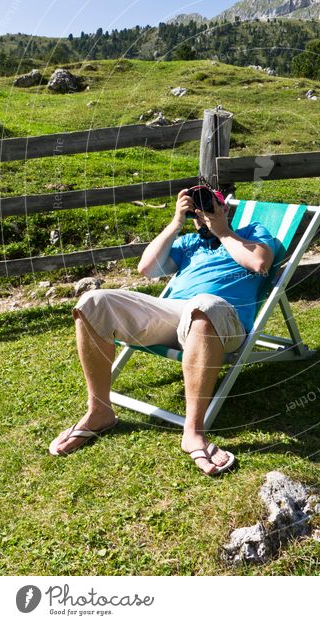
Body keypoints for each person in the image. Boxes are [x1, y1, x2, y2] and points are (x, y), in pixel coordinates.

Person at [48, 187, 275, 475]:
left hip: (221, 320)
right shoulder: (189, 242)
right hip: (174, 315)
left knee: (204, 305)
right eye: (195, 209)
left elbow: (260, 263)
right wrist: (176, 223)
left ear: (225, 208)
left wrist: (222, 231)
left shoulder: (253, 232)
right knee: (93, 302)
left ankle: (193, 432)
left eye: (209, 204)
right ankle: (99, 411)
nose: (201, 213)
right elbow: (146, 268)